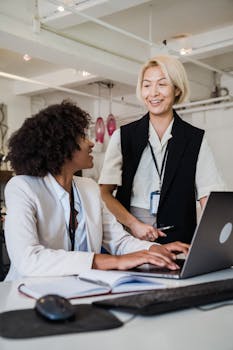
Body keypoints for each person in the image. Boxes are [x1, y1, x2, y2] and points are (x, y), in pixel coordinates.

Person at [4, 100, 189, 281]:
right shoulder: (22, 187)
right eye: (83, 136)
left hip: (81, 288)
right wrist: (111, 261)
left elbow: (119, 241)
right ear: (60, 145)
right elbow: (27, 259)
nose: (91, 143)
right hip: (27, 293)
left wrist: (153, 249)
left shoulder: (89, 188)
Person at [99, 55, 225, 244]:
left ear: (177, 89)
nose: (153, 93)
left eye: (162, 84)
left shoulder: (195, 139)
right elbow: (104, 193)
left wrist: (213, 241)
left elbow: (209, 196)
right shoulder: (123, 136)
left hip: (180, 240)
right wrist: (133, 224)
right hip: (131, 239)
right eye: (147, 85)